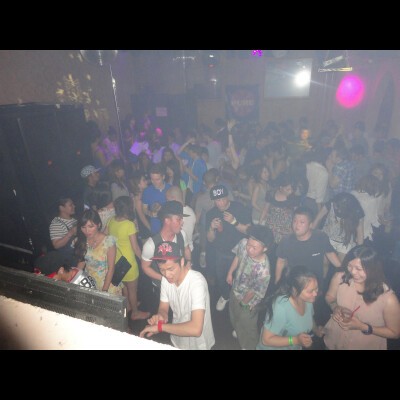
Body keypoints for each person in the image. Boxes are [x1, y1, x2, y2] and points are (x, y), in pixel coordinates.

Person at [139, 241, 215, 350]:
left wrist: (160, 327)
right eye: (162, 269)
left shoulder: (196, 282)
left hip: (199, 344)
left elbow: (196, 329)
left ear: (182, 262)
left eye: (171, 269)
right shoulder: (165, 280)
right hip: (177, 338)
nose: (167, 274)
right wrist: (160, 317)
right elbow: (163, 308)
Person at [324, 245, 400, 350]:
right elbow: (329, 297)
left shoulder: (388, 298)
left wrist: (363, 327)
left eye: (359, 269)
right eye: (350, 266)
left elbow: (395, 333)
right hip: (334, 340)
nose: (353, 272)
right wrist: (335, 307)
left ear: (373, 269)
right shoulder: (340, 278)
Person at [226, 225, 274, 350]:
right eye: (249, 245)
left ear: (265, 248)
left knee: (248, 324)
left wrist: (243, 304)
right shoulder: (244, 243)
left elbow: (253, 292)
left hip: (249, 301)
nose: (249, 249)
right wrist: (230, 272)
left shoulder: (263, 270)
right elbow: (238, 256)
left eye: (254, 248)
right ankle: (238, 329)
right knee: (234, 315)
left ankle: (249, 346)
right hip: (236, 289)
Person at [206, 184, 252, 311]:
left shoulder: (239, 208)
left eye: (222, 199)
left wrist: (234, 222)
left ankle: (239, 300)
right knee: (221, 277)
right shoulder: (211, 213)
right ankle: (225, 296)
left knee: (240, 278)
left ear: (227, 197)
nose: (220, 203)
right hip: (221, 252)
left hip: (240, 252)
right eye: (217, 200)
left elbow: (248, 230)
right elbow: (210, 239)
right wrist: (211, 228)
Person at [141, 200, 192, 313]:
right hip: (161, 288)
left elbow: (187, 249)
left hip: (180, 285)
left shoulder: (182, 234)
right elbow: (145, 267)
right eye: (179, 219)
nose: (182, 222)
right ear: (167, 220)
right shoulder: (151, 244)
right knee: (164, 315)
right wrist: (164, 278)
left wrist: (188, 263)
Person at [257, 266, 322, 350]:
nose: (315, 294)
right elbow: (266, 340)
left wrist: (316, 330)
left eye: (316, 289)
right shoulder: (281, 306)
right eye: (310, 291)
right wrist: (296, 340)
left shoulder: (308, 300)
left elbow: (309, 317)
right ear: (295, 290)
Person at [75, 209, 122, 296]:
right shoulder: (83, 241)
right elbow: (81, 263)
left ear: (99, 225)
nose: (87, 231)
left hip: (108, 285)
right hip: (90, 284)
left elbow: (111, 269)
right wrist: (74, 280)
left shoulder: (108, 241)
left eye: (91, 226)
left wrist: (104, 291)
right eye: (83, 227)